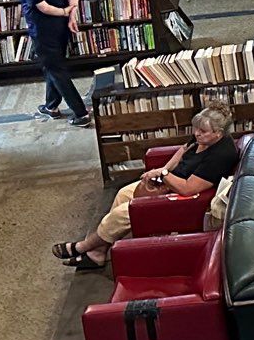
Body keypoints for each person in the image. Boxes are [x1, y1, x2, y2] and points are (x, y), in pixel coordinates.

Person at [52, 106, 239, 268]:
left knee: (123, 214)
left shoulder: (221, 155)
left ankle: (83, 247)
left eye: (203, 131)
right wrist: (163, 169)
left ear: (218, 134)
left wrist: (164, 176)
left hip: (182, 198)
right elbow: (182, 151)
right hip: (170, 183)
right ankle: (99, 252)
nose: (197, 133)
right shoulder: (203, 139)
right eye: (196, 129)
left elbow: (189, 188)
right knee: (123, 194)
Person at [16, 0, 91, 127]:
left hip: (43, 30)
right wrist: (71, 13)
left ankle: (81, 113)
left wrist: (65, 11)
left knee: (56, 70)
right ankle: (51, 106)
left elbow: (43, 7)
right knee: (51, 66)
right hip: (61, 27)